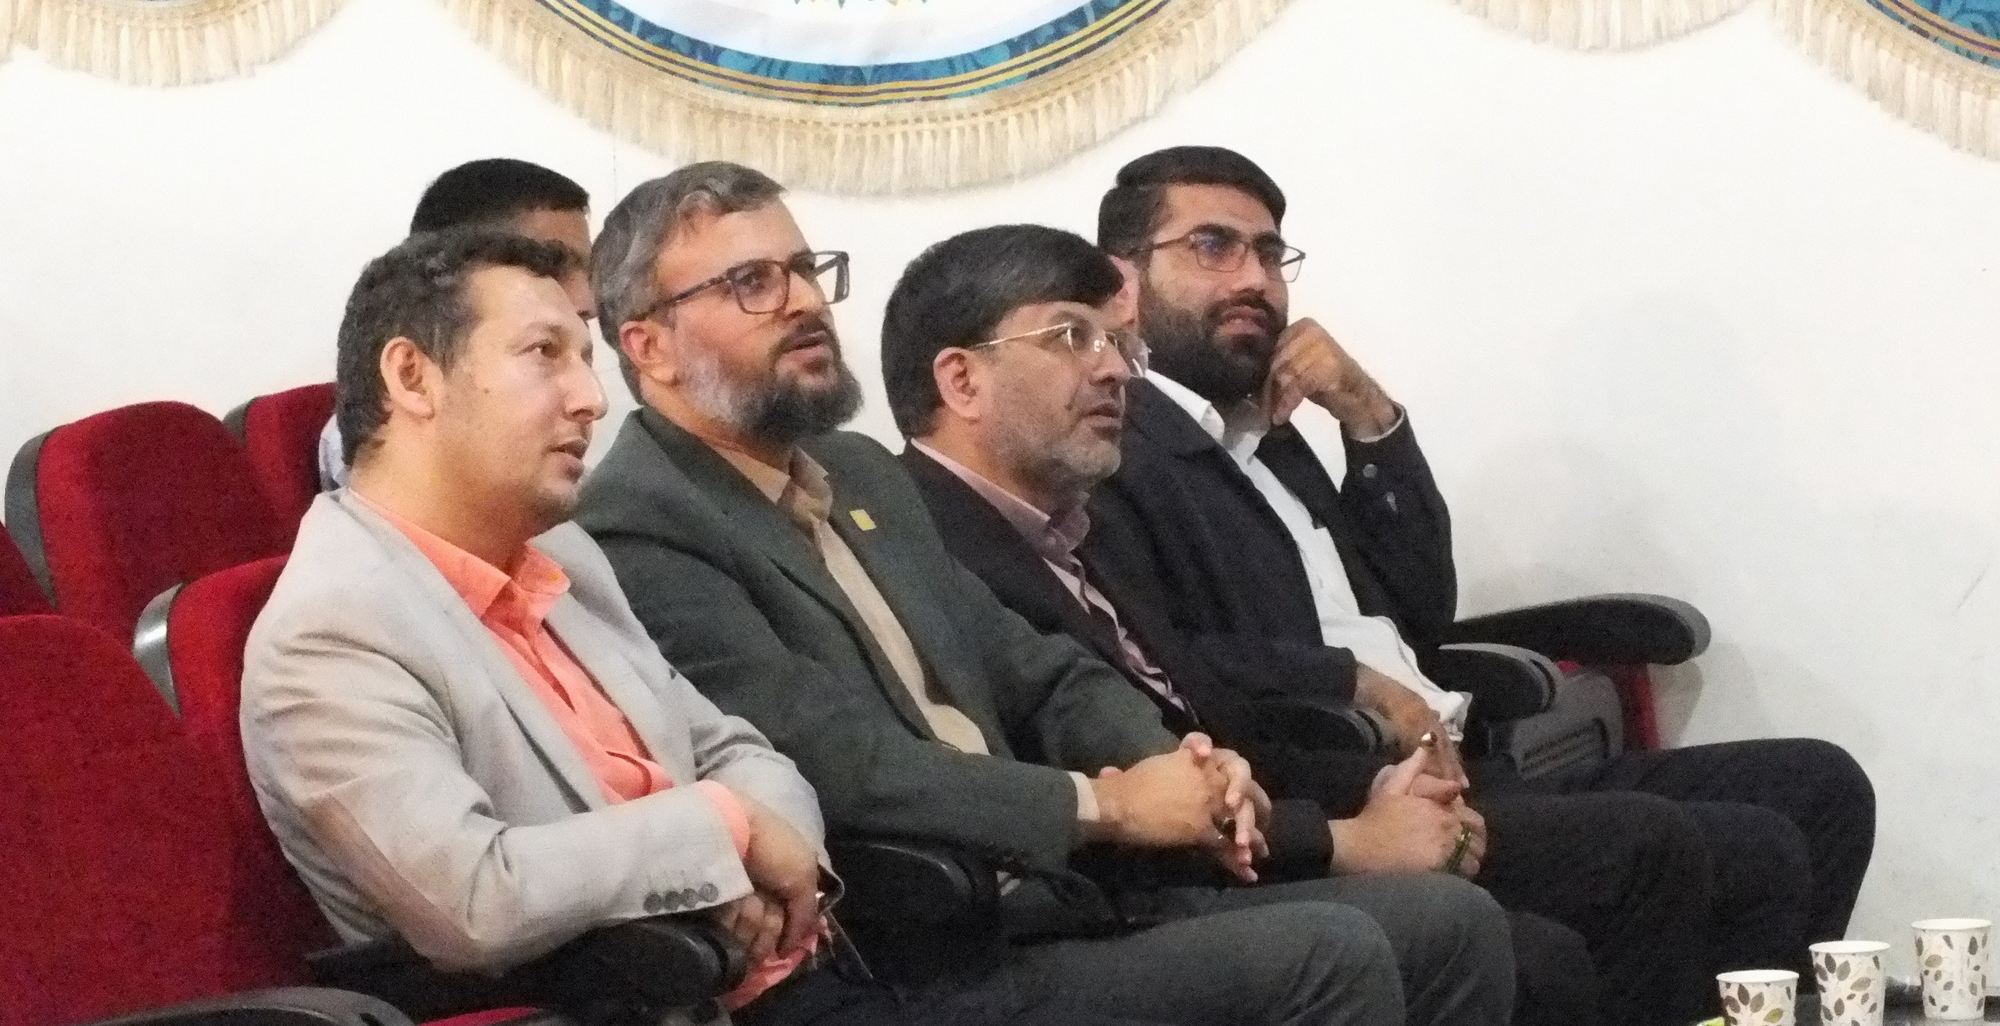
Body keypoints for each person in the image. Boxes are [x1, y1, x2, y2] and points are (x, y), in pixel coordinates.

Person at [573, 161, 1516, 1026]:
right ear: (649, 346)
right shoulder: (640, 523)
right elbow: (840, 760)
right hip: (899, 953)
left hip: (1036, 899)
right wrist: (1107, 805)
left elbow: (1039, 666)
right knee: (1330, 955)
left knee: (1448, 924)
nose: (804, 302)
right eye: (751, 283)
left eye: (805, 270)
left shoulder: (856, 473)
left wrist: (1175, 765)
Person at [243, 229, 1164, 1026]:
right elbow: (475, 897)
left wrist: (758, 845)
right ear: (412, 376)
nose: (590, 398)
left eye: (585, 359)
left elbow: (733, 744)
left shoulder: (562, 557)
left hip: (800, 975)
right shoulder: (333, 632)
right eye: (544, 354)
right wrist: (722, 831)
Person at [1085, 145, 1878, 1026]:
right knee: (1689, 846)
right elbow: (1168, 657)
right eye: (1213, 246)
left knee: (1819, 787)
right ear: (1123, 283)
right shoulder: (1121, 448)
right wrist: (1359, 683)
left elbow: (1421, 609)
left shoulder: (1267, 429)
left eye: (1270, 254)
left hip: (1459, 755)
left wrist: (1369, 415)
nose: (1253, 279)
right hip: (1347, 781)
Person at [882, 222, 1598, 1026]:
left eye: (1117, 343)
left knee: (1581, 897)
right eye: (1072, 337)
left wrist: (1380, 793)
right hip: (1109, 895)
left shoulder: (1082, 528)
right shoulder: (920, 541)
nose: (1114, 369)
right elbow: (1095, 792)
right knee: (1491, 936)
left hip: (1239, 830)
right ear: (962, 380)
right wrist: (1345, 838)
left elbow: (1216, 714)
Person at [317, 158, 595, 488]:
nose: (587, 301)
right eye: (549, 265)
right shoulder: (377, 481)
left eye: (589, 271)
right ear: (411, 376)